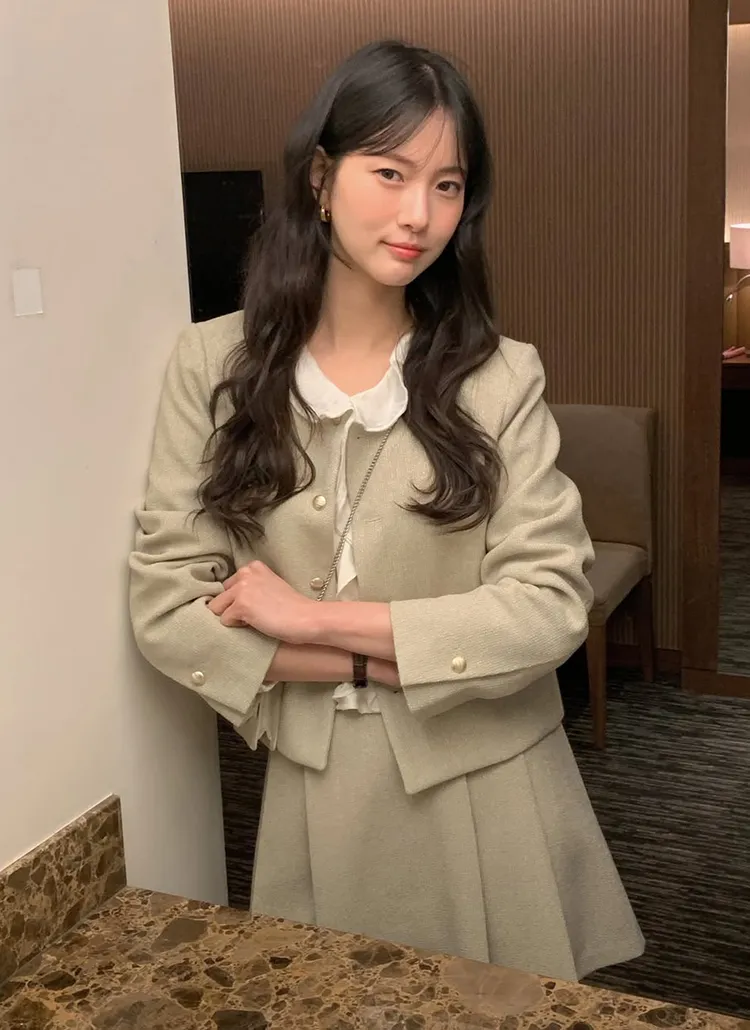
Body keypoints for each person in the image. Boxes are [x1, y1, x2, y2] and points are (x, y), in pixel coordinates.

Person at [129, 39, 644, 981]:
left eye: (448, 186)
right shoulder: (212, 368)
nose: (419, 215)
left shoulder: (500, 377)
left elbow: (548, 609)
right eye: (391, 173)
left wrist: (311, 620)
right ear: (321, 178)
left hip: (491, 783)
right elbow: (169, 609)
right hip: (317, 789)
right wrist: (375, 658)